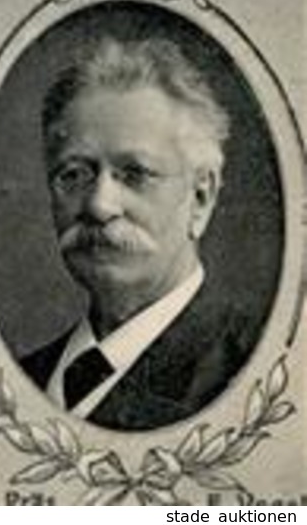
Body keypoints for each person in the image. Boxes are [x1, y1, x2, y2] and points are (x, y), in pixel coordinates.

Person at [18, 37, 263, 431]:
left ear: (201, 198)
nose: (99, 205)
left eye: (135, 174)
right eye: (74, 175)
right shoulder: (20, 379)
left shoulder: (253, 375)